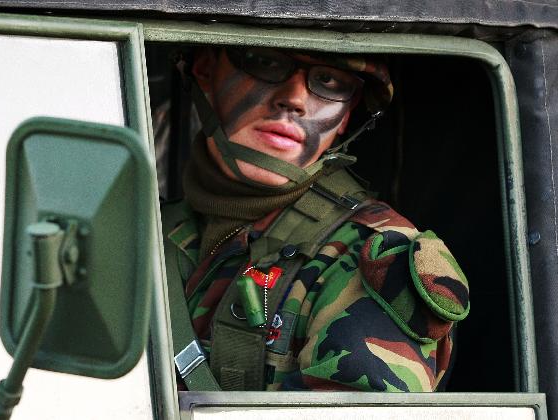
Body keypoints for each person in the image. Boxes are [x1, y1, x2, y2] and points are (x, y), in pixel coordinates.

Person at [160, 46, 470, 392]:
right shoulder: (143, 223)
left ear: (346, 115)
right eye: (266, 62)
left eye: (329, 81)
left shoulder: (372, 256)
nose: (294, 100)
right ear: (205, 70)